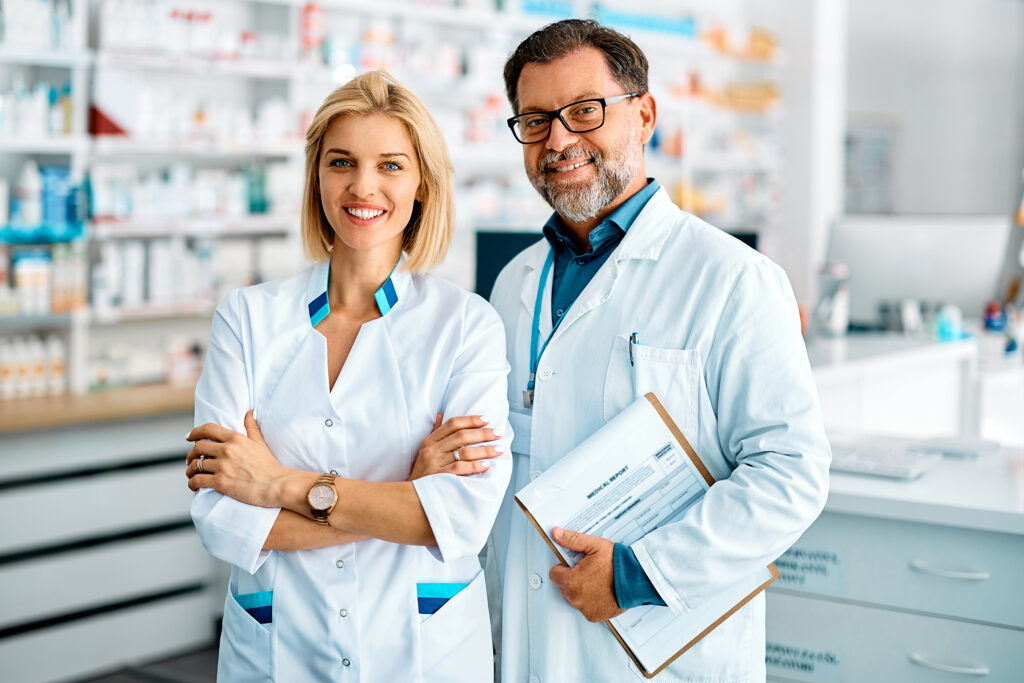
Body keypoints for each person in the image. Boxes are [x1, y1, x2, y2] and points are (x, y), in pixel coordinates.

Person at [481, 19, 831, 682]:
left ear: (643, 115)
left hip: (662, 648)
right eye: (534, 120)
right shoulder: (512, 284)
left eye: (584, 111)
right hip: (527, 641)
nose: (558, 139)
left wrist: (642, 572)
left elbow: (792, 472)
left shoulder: (734, 278)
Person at [184, 70, 512, 682]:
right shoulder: (248, 319)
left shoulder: (466, 326)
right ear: (317, 178)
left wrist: (278, 484)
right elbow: (222, 519)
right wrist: (401, 501)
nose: (363, 186)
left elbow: (459, 520)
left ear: (423, 184)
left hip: (422, 651)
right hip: (279, 648)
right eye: (342, 162)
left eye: (390, 165)